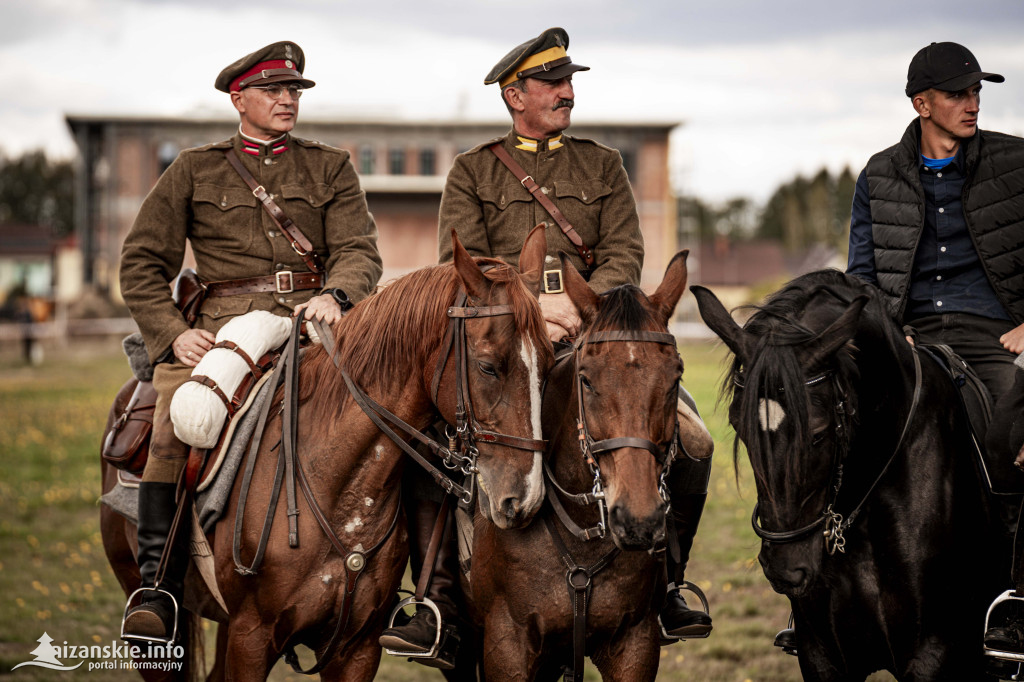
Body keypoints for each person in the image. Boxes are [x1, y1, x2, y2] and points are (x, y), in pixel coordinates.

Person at [378, 27, 712, 667]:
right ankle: (440, 608)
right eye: (553, 83)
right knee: (428, 450)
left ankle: (665, 589)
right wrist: (535, 309)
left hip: (597, 338)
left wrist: (586, 310)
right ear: (514, 94)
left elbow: (625, 252)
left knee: (692, 441)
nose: (567, 93)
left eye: (569, 82)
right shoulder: (474, 170)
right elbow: (467, 265)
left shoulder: (602, 163)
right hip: (508, 345)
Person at [118, 41, 382, 641]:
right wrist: (174, 335)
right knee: (175, 422)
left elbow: (358, 250)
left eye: (294, 91)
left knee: (397, 415)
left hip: (316, 324)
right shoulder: (195, 167)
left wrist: (337, 295)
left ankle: (401, 589)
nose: (288, 99)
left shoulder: (330, 165)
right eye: (274, 90)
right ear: (240, 100)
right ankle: (157, 585)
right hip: (218, 329)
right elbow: (140, 262)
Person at [833, 40, 1024, 655]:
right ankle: (824, 592)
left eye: (976, 92)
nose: (972, 104)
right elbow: (861, 272)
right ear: (922, 103)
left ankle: (1009, 594)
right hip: (908, 335)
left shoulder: (1015, 163)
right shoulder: (879, 174)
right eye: (957, 93)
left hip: (995, 333)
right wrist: (889, 330)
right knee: (831, 425)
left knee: (1007, 430)